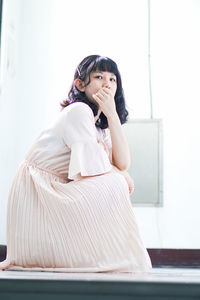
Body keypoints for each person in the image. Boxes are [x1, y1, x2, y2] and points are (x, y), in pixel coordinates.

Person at [0, 55, 152, 273]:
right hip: (38, 192)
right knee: (115, 183)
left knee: (117, 180)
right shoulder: (79, 110)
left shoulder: (97, 123)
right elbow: (96, 172)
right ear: (80, 84)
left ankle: (102, 254)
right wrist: (121, 175)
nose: (107, 84)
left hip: (53, 189)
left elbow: (123, 162)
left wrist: (111, 113)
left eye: (113, 79)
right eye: (99, 77)